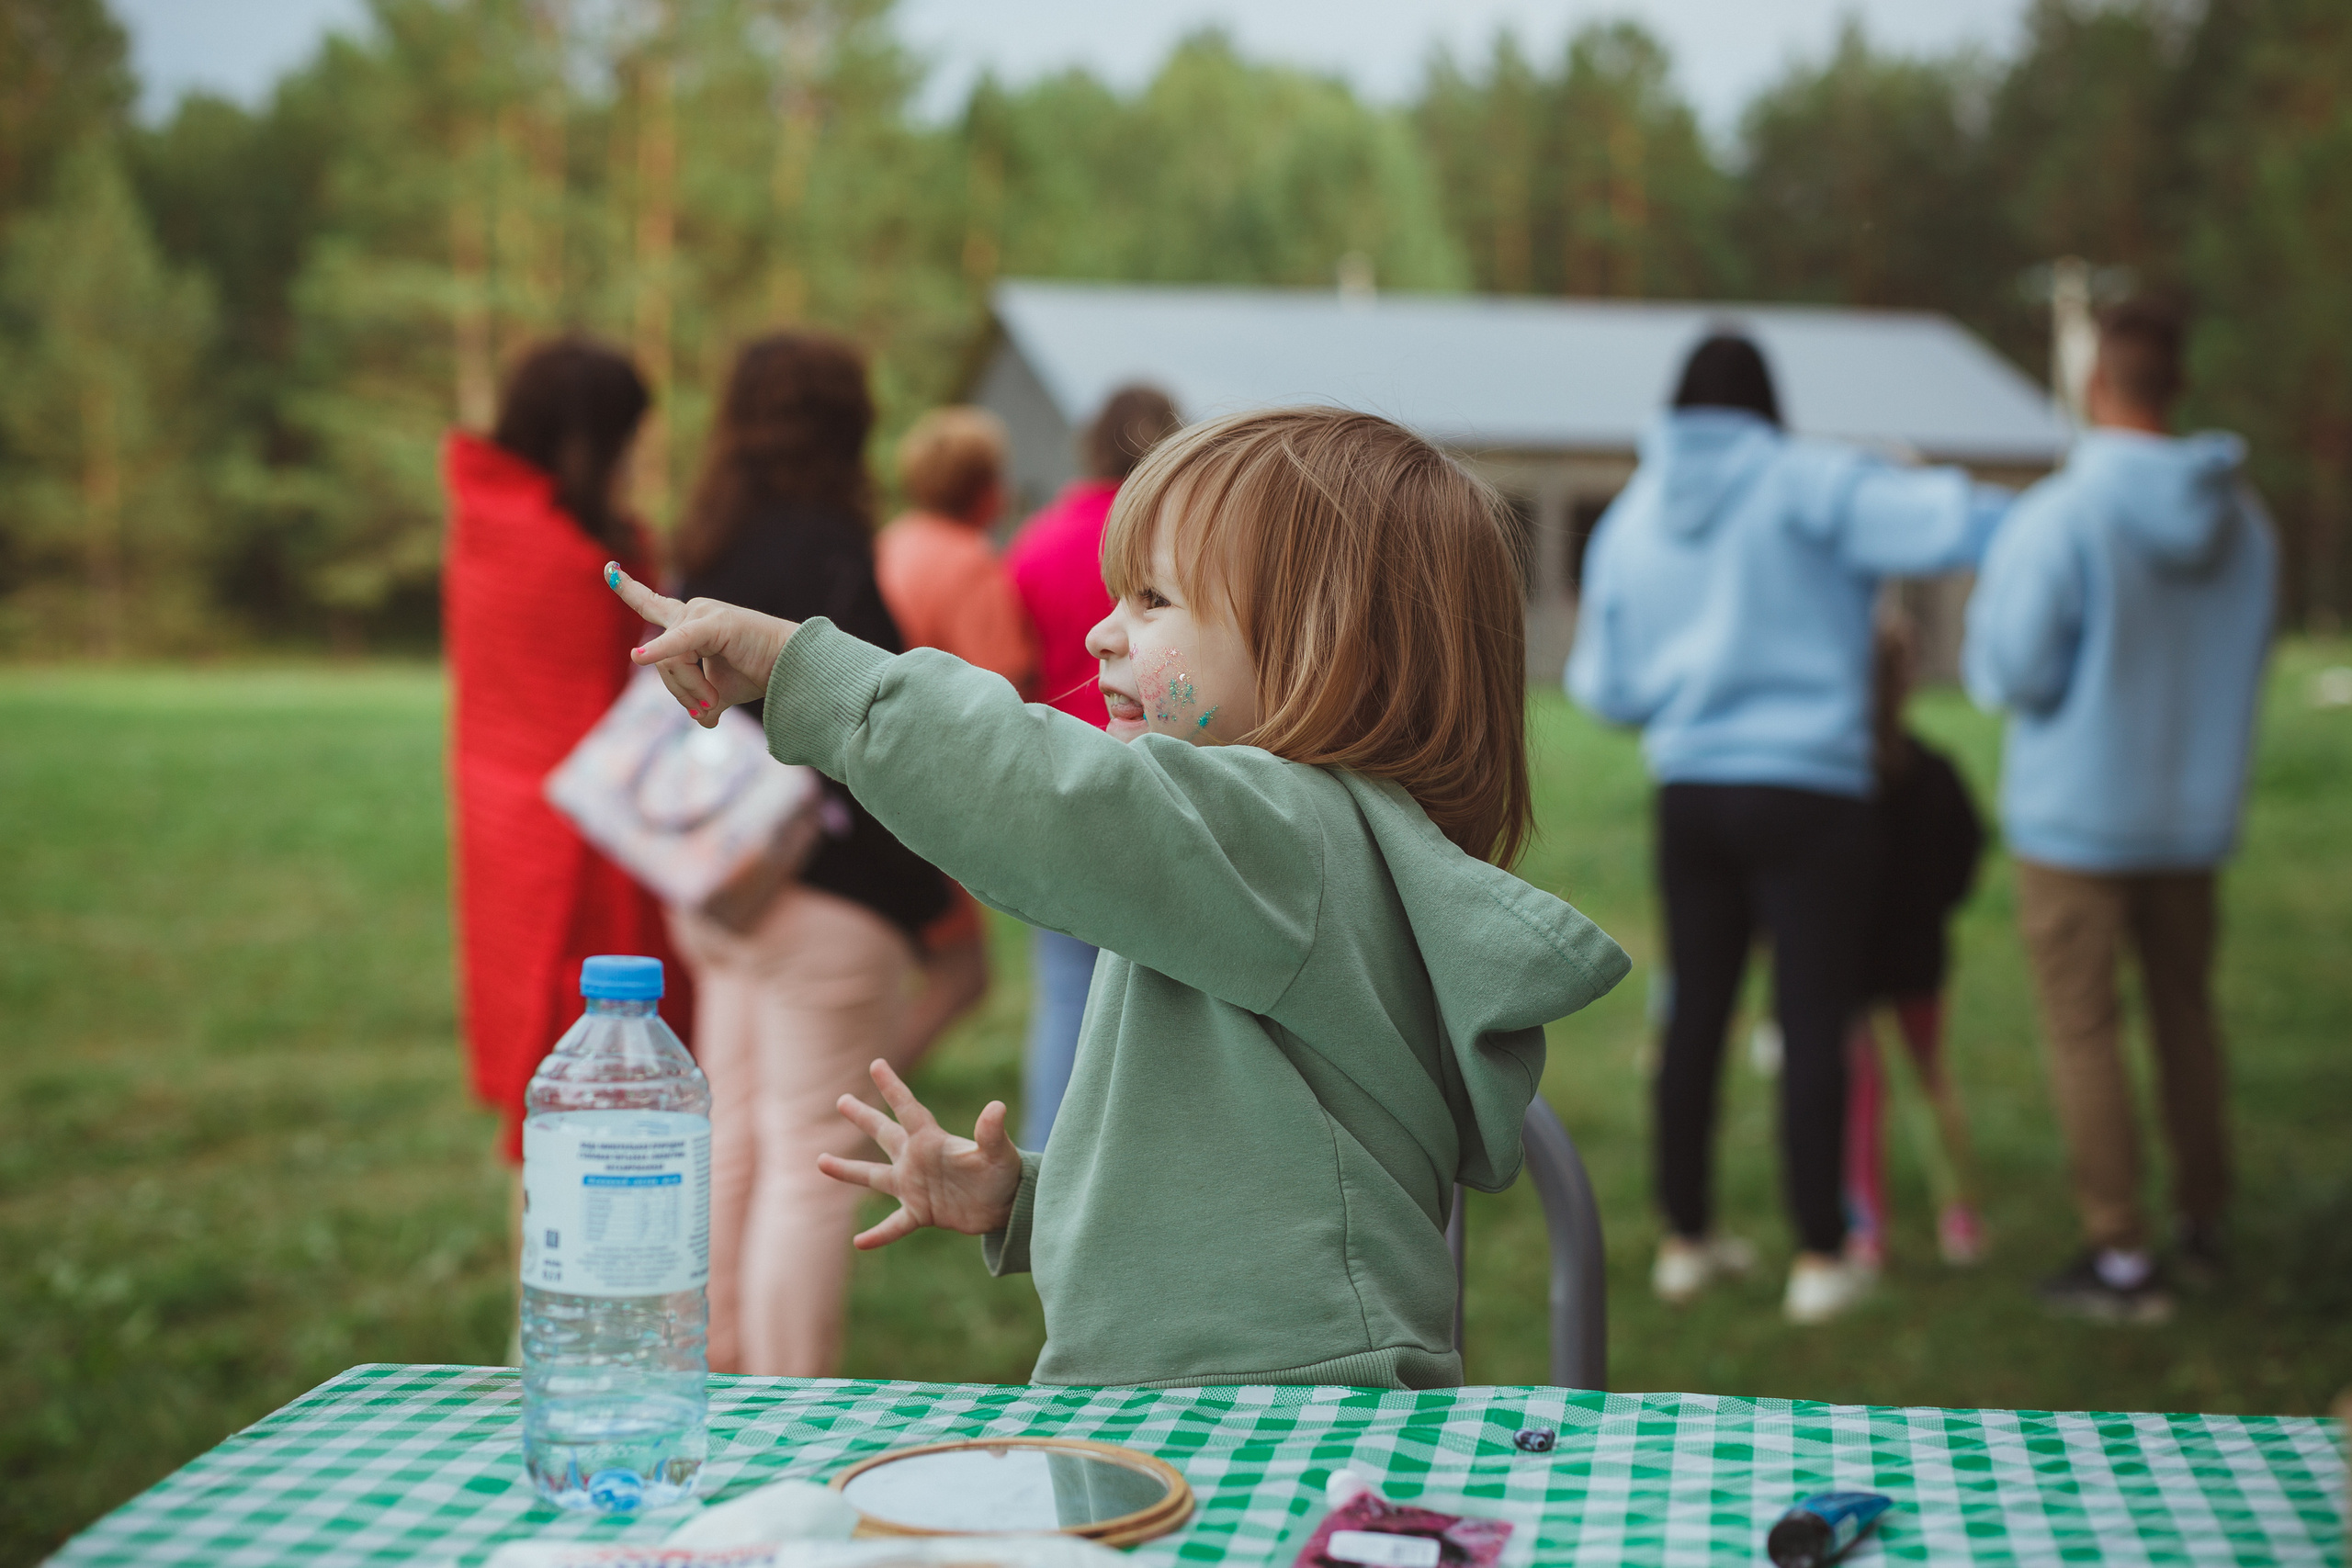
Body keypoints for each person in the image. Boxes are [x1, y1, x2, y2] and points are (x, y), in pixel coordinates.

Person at [608, 405, 1630, 1389]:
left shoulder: (1283, 835)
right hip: (1232, 1392)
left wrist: (806, 674)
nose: (1101, 636)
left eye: (1152, 602)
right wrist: (1030, 1201)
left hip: (1274, 1413)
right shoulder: (1265, 863)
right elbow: (1260, 1189)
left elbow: (1039, 797)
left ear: (1323, 642)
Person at [1566, 330, 2009, 1324]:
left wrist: (1688, 693)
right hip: (1815, 791)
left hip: (1691, 788)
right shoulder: (1810, 483)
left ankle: (1684, 1241)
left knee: (1694, 1013)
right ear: (1767, 408)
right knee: (1813, 1018)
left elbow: (1601, 685)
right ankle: (1819, 1260)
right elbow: (1951, 526)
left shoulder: (1633, 516)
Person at [1962, 299, 2275, 1325]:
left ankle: (2122, 1258)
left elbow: (2010, 668)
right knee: (2187, 1015)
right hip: (2191, 817)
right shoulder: (2248, 523)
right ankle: (2204, 1222)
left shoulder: (2061, 515)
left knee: (2083, 1028)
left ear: (2096, 384)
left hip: (2075, 821)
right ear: (2177, 387)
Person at [665, 330, 951, 1377]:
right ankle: (789, 1419)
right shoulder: (829, 552)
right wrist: (934, 896)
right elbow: (877, 731)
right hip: (822, 902)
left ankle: (706, 1390)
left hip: (714, 892)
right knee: (806, 1170)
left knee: (732, 1148)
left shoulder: (703, 543)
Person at [442, 337, 693, 1178]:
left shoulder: (487, 519)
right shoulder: (574, 559)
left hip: (505, 815)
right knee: (584, 1051)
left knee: (544, 1055)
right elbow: (631, 669)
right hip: (573, 835)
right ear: (589, 440)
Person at [1002, 385, 1182, 1147]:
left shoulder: (1037, 541)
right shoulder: (1177, 541)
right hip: (1168, 778)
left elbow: (1010, 665)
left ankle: (1052, 1157)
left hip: (1061, 782)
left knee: (1068, 992)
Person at [874, 407, 1038, 1063]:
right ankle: (860, 1088)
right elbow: (1001, 685)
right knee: (964, 971)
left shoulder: (895, 539)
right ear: (984, 487)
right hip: (928, 778)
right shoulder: (970, 562)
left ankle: (855, 1080)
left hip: (874, 762)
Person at [1841, 612, 1987, 1275]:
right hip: (1919, 957)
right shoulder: (1937, 771)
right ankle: (1960, 1215)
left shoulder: (1834, 780)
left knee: (1863, 1092)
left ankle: (1868, 1229)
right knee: (1932, 1079)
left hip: (1851, 961)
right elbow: (1967, 855)